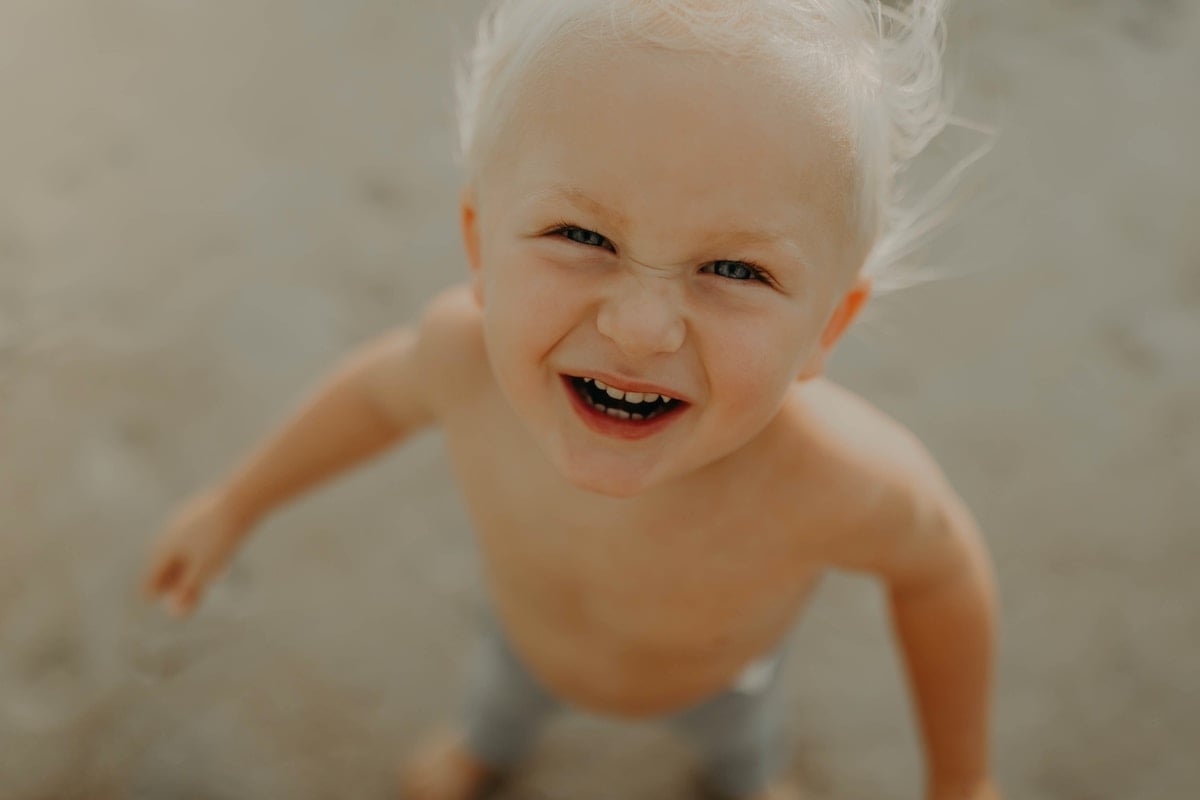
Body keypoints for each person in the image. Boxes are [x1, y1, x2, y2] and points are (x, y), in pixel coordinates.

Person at [144, 1, 999, 798]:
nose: (639, 329)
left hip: (725, 681)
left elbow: (943, 574)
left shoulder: (840, 476)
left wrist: (961, 781)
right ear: (480, 245)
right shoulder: (461, 359)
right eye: (581, 236)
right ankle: (487, 747)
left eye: (736, 270)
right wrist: (236, 502)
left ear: (827, 327)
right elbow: (372, 399)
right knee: (497, 705)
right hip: (527, 647)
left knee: (744, 750)